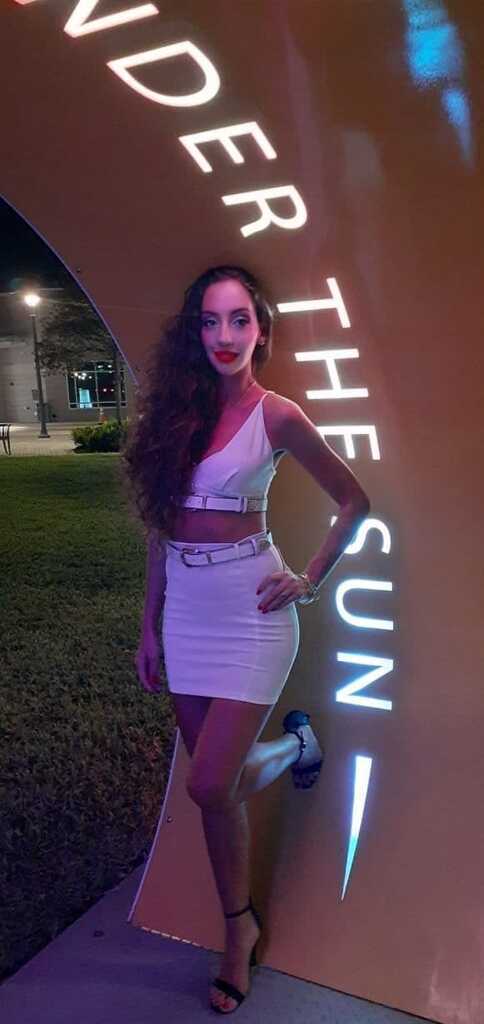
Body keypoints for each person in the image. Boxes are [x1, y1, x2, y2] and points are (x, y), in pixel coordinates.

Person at [123, 264, 370, 1014]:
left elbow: (354, 501)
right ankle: (241, 924)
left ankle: (293, 750)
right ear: (194, 332)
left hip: (252, 613)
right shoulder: (177, 414)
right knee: (215, 796)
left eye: (239, 319)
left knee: (207, 783)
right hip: (187, 613)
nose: (224, 335)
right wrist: (149, 624)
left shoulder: (278, 415)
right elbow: (161, 530)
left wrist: (310, 578)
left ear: (261, 330)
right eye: (210, 320)